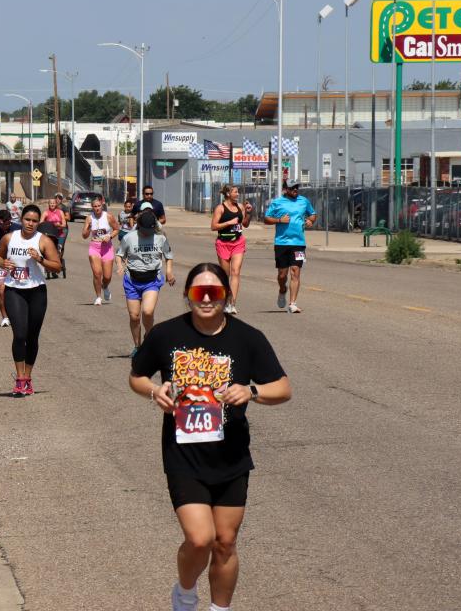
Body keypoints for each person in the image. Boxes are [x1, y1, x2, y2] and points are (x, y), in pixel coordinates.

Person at [128, 262, 291, 611]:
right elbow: (137, 376)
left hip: (231, 454)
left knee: (225, 542)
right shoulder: (166, 335)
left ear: (226, 296)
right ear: (187, 296)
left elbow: (283, 388)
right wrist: (154, 391)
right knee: (201, 539)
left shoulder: (247, 338)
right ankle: (186, 594)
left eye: (214, 292)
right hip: (184, 453)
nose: (205, 299)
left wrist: (251, 391)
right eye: (197, 292)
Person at [0, 205, 63, 396]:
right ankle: (19, 378)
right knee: (20, 334)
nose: (30, 224)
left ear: (38, 222)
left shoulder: (44, 241)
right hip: (14, 290)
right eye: (27, 219)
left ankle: (28, 378)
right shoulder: (9, 238)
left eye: (34, 221)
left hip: (37, 292)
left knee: (32, 337)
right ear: (21, 219)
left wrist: (40, 259)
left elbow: (57, 267)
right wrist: (2, 262)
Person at [116, 210, 175, 357]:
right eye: (144, 229)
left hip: (152, 280)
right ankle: (137, 346)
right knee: (134, 316)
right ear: (138, 225)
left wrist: (169, 272)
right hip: (132, 280)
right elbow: (119, 254)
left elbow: (168, 255)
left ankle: (149, 337)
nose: (147, 232)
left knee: (147, 312)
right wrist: (120, 265)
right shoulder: (129, 238)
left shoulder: (160, 239)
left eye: (150, 229)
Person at [264, 182, 317, 314]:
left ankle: (292, 303)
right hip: (281, 243)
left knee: (295, 271)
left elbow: (312, 214)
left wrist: (311, 220)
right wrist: (279, 220)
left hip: (298, 242)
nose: (295, 190)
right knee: (282, 275)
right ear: (286, 189)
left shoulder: (303, 201)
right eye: (292, 188)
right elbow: (266, 219)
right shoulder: (277, 202)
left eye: (297, 188)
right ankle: (282, 290)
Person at [210, 186, 253, 315]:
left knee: (236, 272)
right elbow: (213, 226)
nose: (237, 194)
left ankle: (232, 304)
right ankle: (225, 301)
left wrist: (249, 212)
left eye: (238, 192)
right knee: (226, 274)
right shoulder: (220, 208)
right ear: (228, 193)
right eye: (235, 192)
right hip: (223, 243)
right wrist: (229, 222)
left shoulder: (240, 207)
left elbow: (245, 224)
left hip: (238, 243)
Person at [82, 195, 120, 305]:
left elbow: (117, 229)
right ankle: (98, 297)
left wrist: (110, 236)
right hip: (94, 247)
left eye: (99, 206)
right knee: (97, 273)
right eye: (95, 206)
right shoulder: (89, 218)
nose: (97, 208)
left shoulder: (108, 216)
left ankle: (105, 286)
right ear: (92, 207)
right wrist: (88, 229)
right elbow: (84, 236)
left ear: (102, 205)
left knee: (107, 276)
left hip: (107, 248)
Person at [0, 209, 22, 325]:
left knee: (19, 291)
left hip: (17, 264)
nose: (5, 226)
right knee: (1, 291)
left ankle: (18, 314)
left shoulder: (18, 228)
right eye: (3, 223)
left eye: (8, 223)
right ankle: (5, 317)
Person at [42, 198, 68, 279]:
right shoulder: (46, 213)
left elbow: (64, 224)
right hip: (50, 234)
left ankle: (57, 264)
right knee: (48, 250)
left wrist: (59, 225)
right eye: (50, 203)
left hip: (60, 234)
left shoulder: (60, 212)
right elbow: (40, 223)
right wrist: (46, 224)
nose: (52, 204)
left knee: (59, 250)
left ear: (56, 204)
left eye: (53, 203)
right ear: (48, 204)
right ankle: (48, 266)